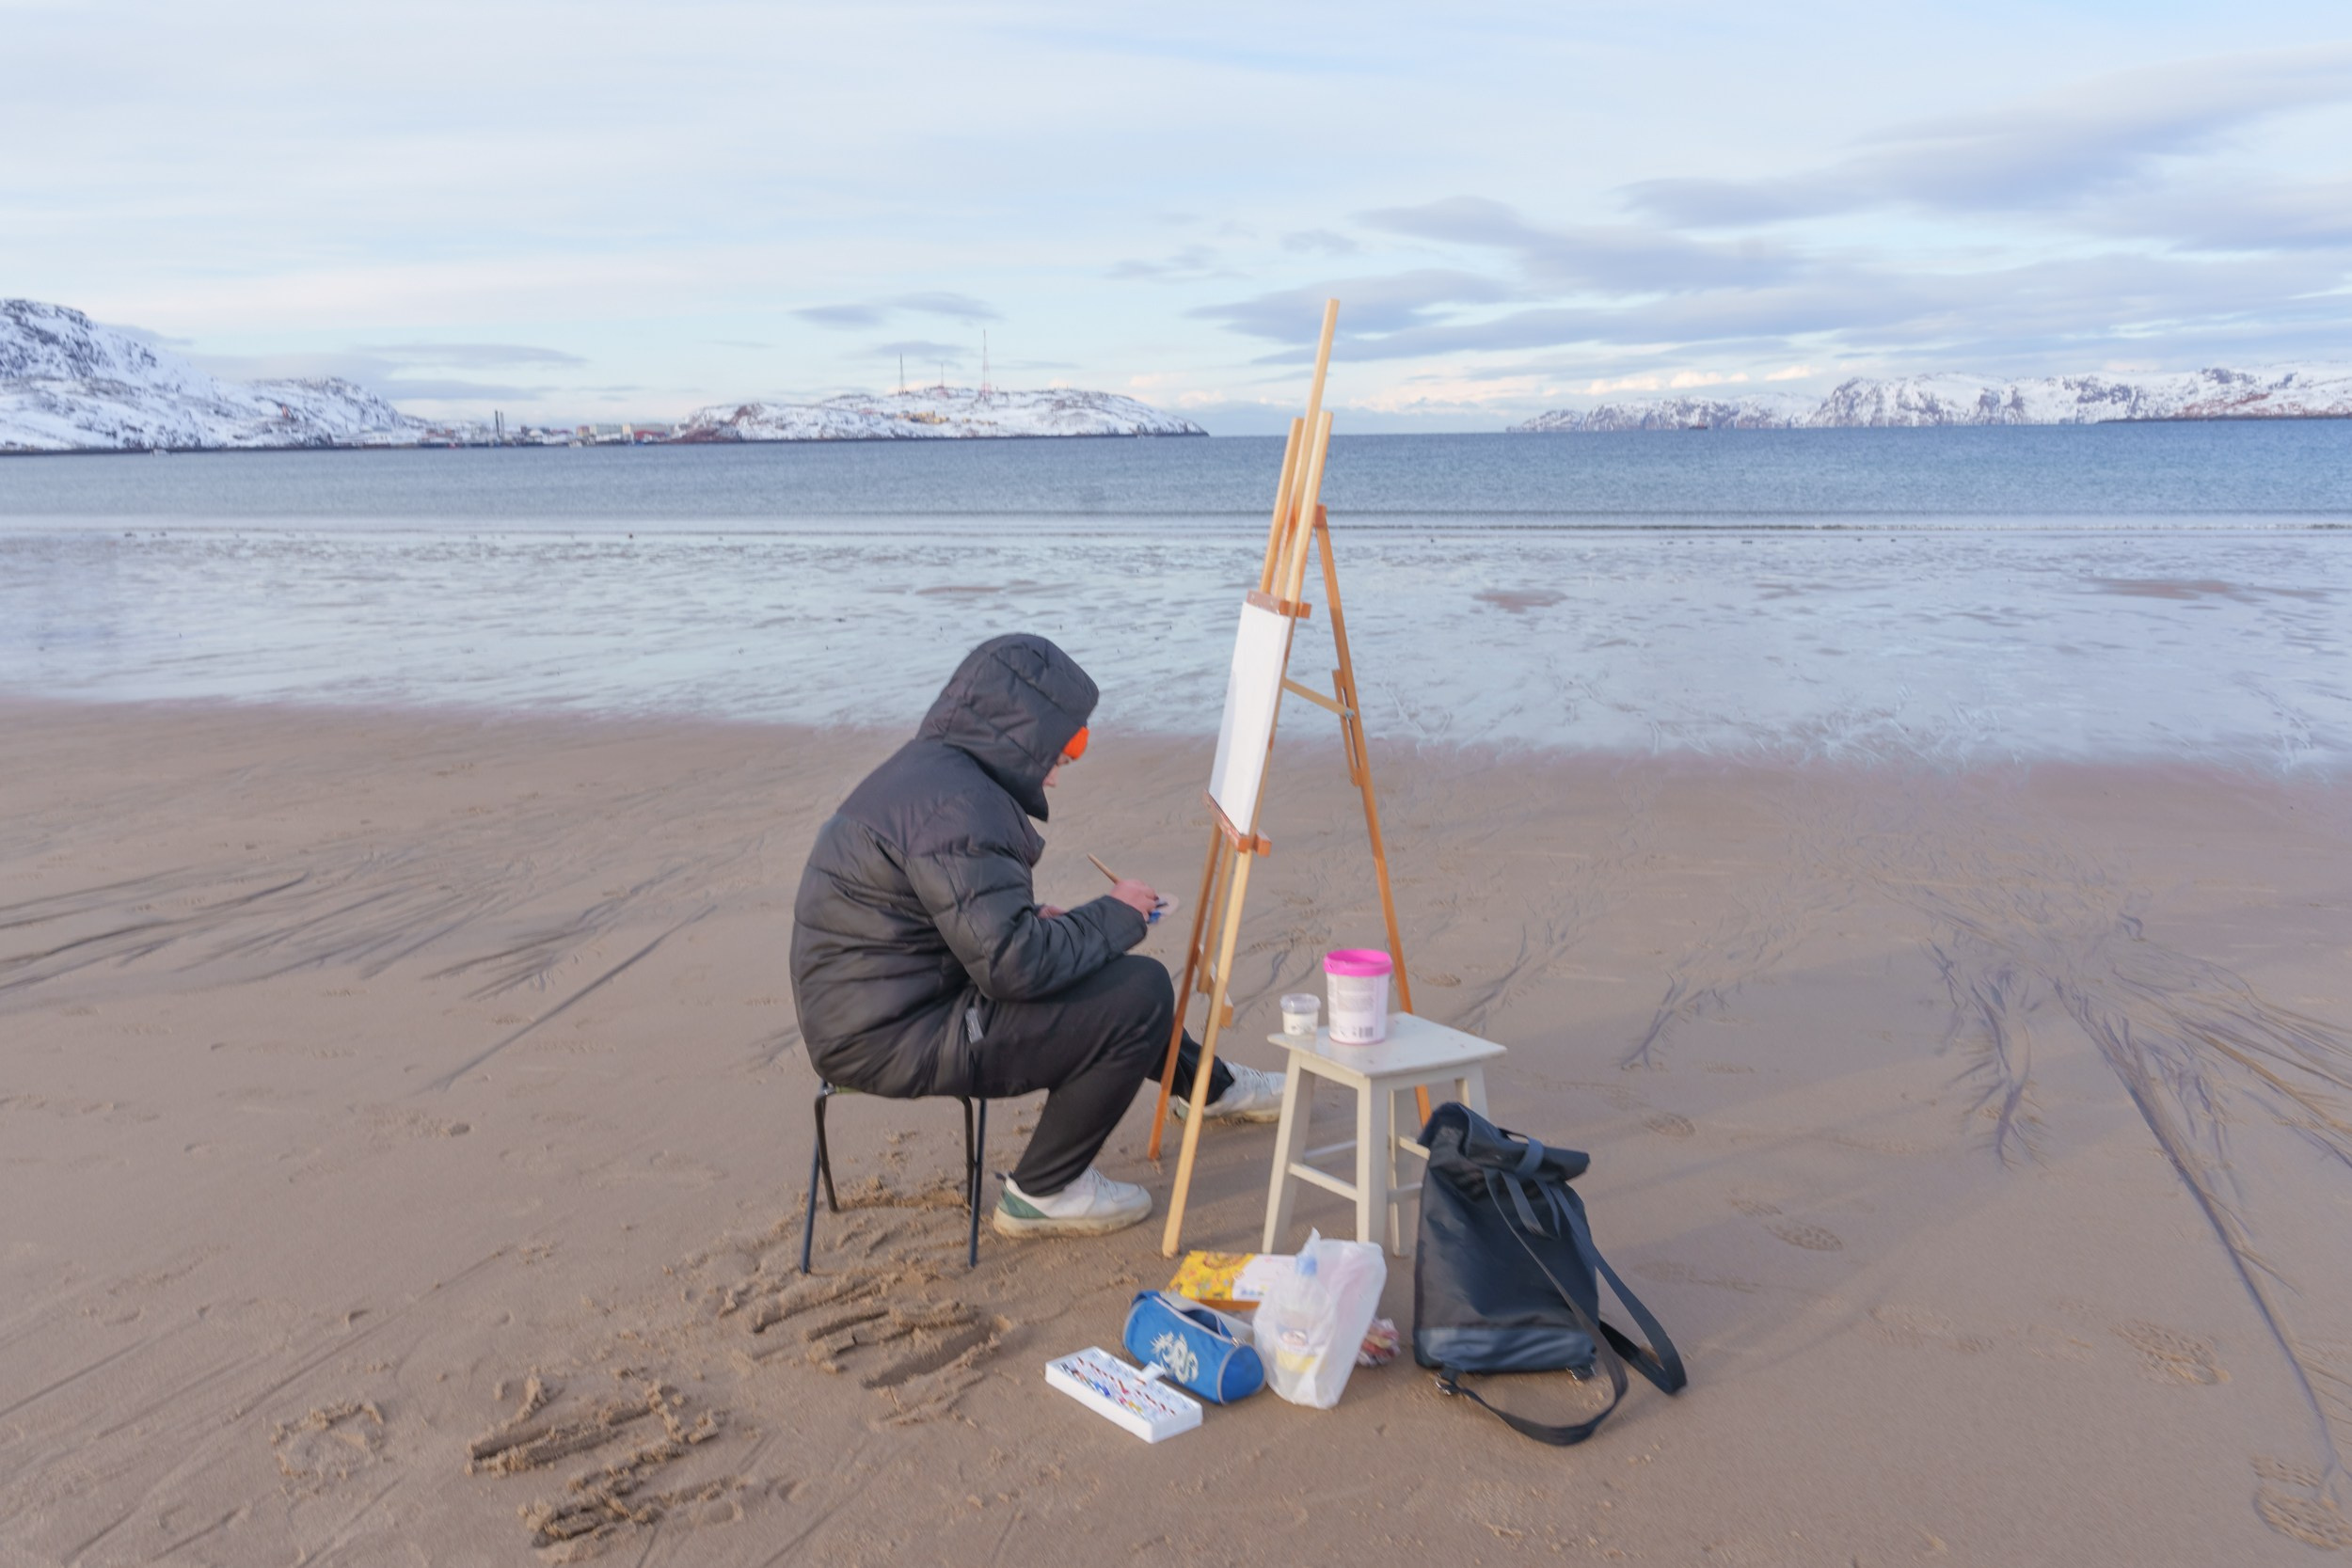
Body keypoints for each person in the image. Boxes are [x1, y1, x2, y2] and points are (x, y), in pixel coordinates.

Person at [789, 633, 1284, 1239]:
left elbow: (942, 923)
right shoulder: (961, 808)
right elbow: (1012, 966)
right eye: (1062, 751)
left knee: (1103, 970)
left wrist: (1046, 922)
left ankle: (1210, 1089)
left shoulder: (931, 775)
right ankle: (1044, 1191)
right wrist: (1117, 915)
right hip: (891, 1036)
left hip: (879, 1010)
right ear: (1020, 734)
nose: (1057, 772)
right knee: (1140, 991)